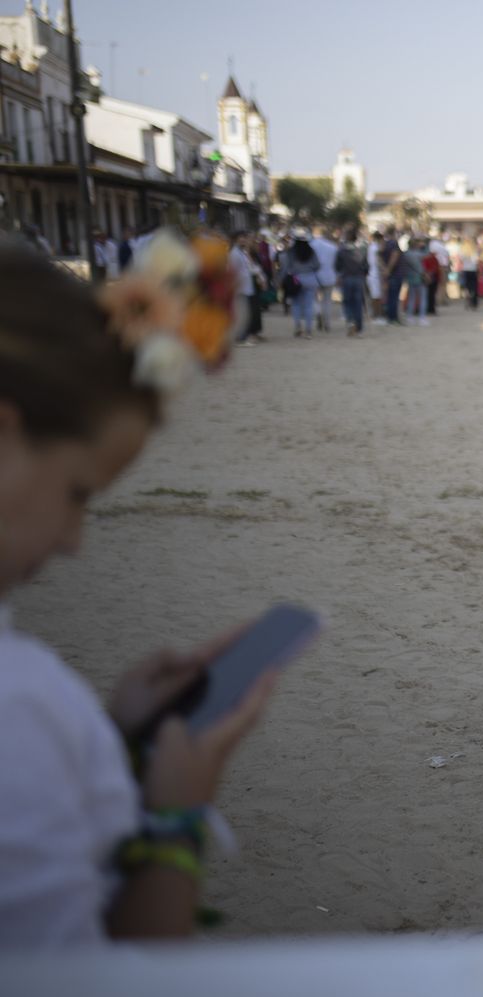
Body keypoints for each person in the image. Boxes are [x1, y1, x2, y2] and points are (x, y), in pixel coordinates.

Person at [0, 240, 278, 946]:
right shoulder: (18, 706)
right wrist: (173, 820)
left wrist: (109, 741)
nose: (74, 539)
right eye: (77, 494)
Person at [280, 229, 321, 339]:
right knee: (309, 305)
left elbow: (287, 267)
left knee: (296, 304)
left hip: (296, 279)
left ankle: (298, 327)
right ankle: (308, 331)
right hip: (311, 278)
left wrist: (282, 279)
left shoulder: (291, 252)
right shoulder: (311, 251)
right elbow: (317, 265)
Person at [229, 230, 264, 347]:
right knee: (242, 313)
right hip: (240, 287)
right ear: (235, 239)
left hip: (245, 286)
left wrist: (259, 275)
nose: (243, 240)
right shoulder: (234, 253)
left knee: (244, 313)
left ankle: (243, 336)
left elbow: (248, 268)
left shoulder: (241, 252)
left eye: (244, 237)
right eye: (240, 238)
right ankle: (241, 337)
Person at [335, 227, 368, 337]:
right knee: (358, 304)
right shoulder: (362, 249)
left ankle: (350, 322)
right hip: (358, 278)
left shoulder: (342, 250)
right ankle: (359, 328)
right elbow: (366, 266)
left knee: (347, 302)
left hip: (346, 278)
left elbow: (337, 265)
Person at [310, 226, 339, 332]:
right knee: (327, 300)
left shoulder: (310, 245)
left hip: (314, 276)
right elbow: (336, 263)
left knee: (314, 298)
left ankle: (318, 312)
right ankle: (327, 323)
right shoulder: (333, 246)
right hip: (329, 275)